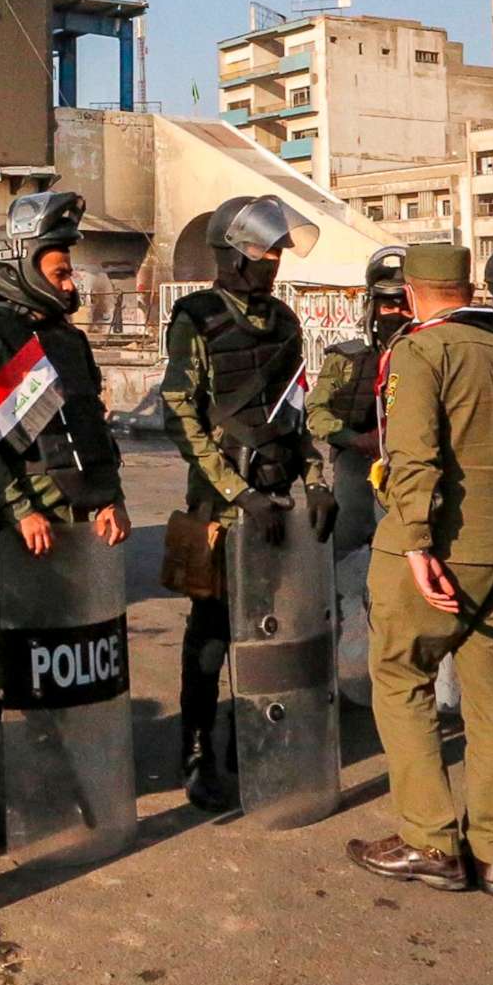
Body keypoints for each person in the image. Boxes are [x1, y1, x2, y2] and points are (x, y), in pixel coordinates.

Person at [347, 242, 493, 899]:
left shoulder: (422, 350)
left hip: (442, 544)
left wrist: (415, 541)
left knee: (400, 677)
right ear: (467, 284)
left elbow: (413, 453)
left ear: (413, 291)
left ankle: (431, 841)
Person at [159, 193, 333, 809]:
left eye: (279, 253)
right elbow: (179, 411)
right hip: (220, 505)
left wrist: (313, 479)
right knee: (210, 632)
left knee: (275, 630)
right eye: (264, 252)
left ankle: (263, 736)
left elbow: (295, 409)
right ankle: (199, 748)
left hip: (276, 498)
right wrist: (234, 492)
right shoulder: (197, 318)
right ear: (232, 255)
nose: (274, 264)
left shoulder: (284, 322)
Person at [0, 194, 131, 704]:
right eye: (60, 273)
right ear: (19, 268)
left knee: (73, 660)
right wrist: (20, 511)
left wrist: (110, 498)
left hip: (75, 530)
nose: (71, 285)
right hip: (15, 534)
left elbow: (91, 428)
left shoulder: (69, 340)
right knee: (4, 672)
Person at [307, 245, 411, 700]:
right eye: (386, 304)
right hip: (354, 472)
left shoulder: (428, 354)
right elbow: (315, 414)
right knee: (342, 576)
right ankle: (340, 678)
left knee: (405, 579)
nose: (395, 313)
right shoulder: (346, 358)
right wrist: (354, 438)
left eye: (402, 302)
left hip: (406, 479)